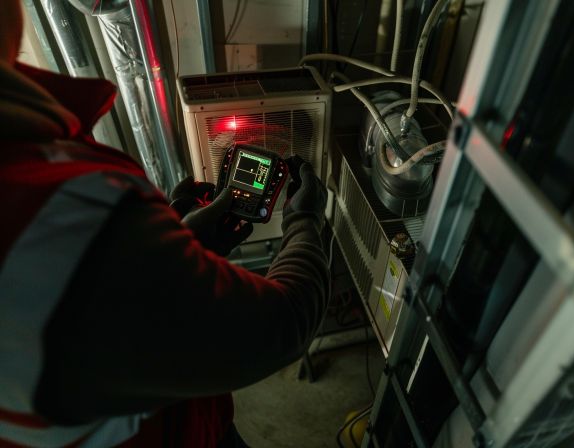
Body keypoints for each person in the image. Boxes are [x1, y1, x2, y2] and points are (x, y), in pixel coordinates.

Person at [0, 1, 329, 447]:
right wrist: (305, 219)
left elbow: (107, 317)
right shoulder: (58, 206)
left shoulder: (37, 180)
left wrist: (178, 243)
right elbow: (283, 324)